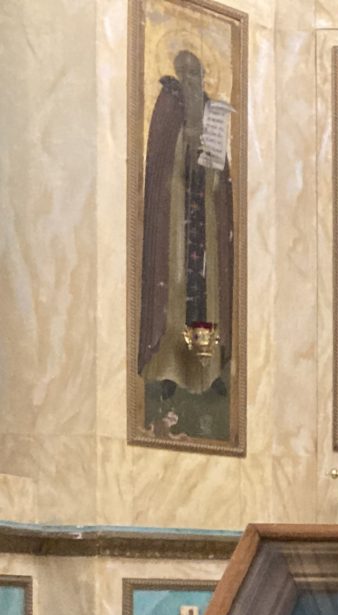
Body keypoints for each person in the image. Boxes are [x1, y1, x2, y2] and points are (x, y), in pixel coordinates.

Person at [136, 48, 236, 411]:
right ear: (179, 75)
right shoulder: (169, 105)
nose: (196, 82)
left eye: (200, 75)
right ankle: (168, 371)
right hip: (175, 215)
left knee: (207, 291)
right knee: (176, 286)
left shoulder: (210, 110)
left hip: (205, 215)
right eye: (190, 74)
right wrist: (186, 144)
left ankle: (207, 372)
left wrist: (212, 163)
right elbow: (161, 159)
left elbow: (220, 171)